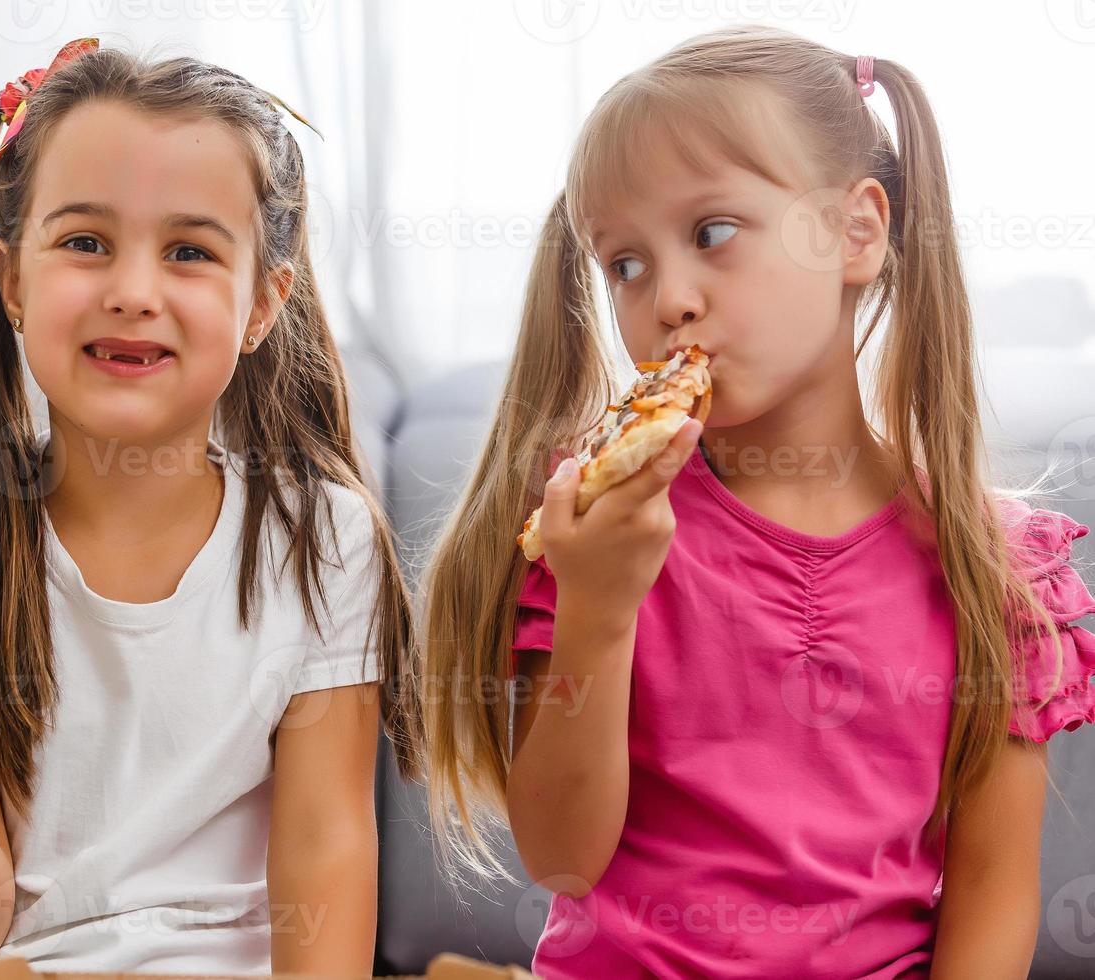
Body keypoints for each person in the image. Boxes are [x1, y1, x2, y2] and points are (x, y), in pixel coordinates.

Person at [418, 25, 1094, 978]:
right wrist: (600, 610)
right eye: (625, 263)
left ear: (856, 232)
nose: (669, 299)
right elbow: (561, 857)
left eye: (711, 233)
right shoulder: (597, 523)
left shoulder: (997, 568)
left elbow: (993, 895)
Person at [0, 37, 419, 977]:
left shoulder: (319, 541)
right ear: (12, 279)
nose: (133, 292)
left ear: (262, 304)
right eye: (85, 242)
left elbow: (327, 851)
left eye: (190, 251)